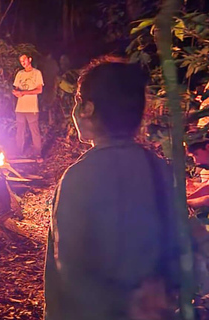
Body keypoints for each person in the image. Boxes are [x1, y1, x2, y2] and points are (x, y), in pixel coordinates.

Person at [44, 58, 180, 320]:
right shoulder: (158, 169)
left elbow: (70, 271)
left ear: (88, 108)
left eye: (77, 100)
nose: (74, 108)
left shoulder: (78, 177)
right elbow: (175, 244)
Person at [12, 54, 44, 162]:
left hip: (32, 108)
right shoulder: (19, 74)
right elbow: (15, 89)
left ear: (30, 59)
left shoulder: (37, 73)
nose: (23, 62)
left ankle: (37, 154)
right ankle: (18, 152)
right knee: (19, 131)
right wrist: (16, 93)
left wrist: (23, 92)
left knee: (34, 131)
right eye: (21, 61)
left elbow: (39, 90)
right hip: (20, 108)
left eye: (24, 60)